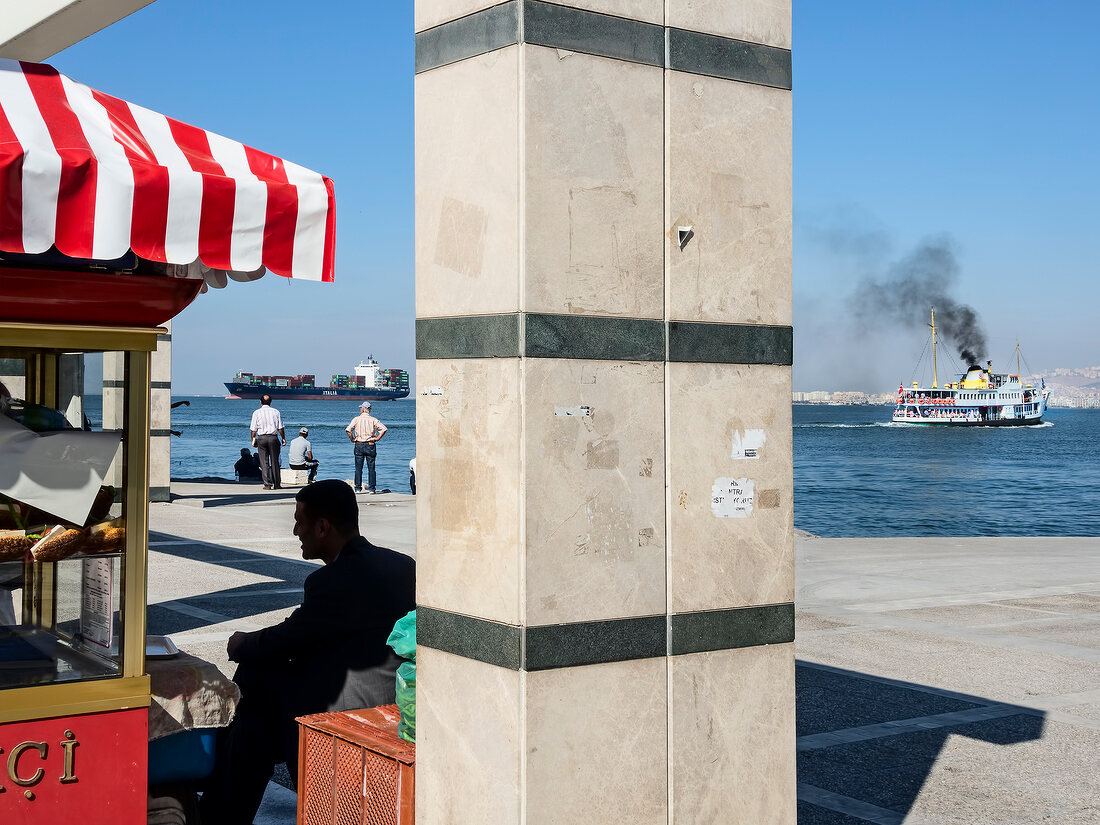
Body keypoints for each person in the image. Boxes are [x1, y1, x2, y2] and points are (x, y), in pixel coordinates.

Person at [197, 481, 415, 825]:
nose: (296, 530)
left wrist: (240, 644)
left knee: (254, 709)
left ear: (323, 527)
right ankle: (219, 790)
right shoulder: (402, 564)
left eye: (299, 521)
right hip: (392, 693)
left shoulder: (331, 580)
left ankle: (218, 808)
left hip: (347, 703)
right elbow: (307, 630)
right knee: (258, 690)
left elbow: (287, 639)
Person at [345, 401, 387, 494]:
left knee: (358, 468)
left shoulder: (356, 419)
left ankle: (358, 488)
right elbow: (384, 429)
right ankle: (372, 489)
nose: (360, 409)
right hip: (370, 444)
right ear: (369, 410)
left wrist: (352, 439)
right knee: (371, 468)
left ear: (363, 409)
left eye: (361, 408)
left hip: (359, 444)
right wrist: (377, 439)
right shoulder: (373, 420)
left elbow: (348, 430)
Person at [249, 394, 285, 490]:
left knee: (264, 462)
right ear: (270, 402)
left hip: (262, 438)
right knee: (275, 462)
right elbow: (280, 427)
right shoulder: (276, 412)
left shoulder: (256, 413)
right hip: (273, 438)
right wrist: (283, 438)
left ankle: (267, 484)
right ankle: (277, 484)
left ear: (260, 402)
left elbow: (253, 429)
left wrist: (252, 439)